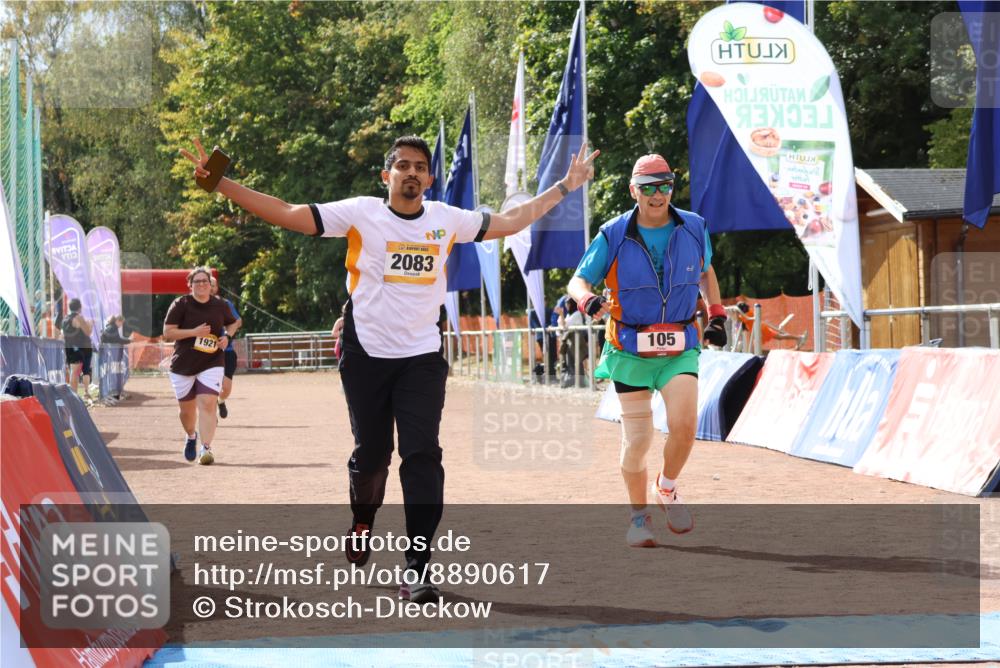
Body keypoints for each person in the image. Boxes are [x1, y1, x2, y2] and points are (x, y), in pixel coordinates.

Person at [181, 135, 598, 603]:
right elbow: (287, 211)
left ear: (430, 178)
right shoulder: (362, 213)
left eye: (420, 166)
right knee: (373, 456)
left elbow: (510, 221)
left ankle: (417, 566)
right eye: (403, 165)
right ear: (387, 176)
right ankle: (363, 518)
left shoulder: (446, 219)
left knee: (422, 457)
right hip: (365, 356)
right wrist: (223, 185)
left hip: (421, 357)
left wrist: (566, 185)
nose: (412, 172)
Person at [567, 154, 727, 547]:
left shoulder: (694, 226)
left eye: (665, 185)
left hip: (680, 344)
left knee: (686, 425)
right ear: (633, 190)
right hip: (629, 349)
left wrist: (717, 314)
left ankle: (667, 487)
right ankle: (639, 518)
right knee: (637, 441)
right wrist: (587, 301)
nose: (658, 195)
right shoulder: (612, 233)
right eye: (648, 187)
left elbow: (705, 271)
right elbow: (578, 280)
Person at [161, 267, 239, 465]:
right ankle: (191, 436)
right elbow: (168, 333)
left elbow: (235, 322)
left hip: (212, 362)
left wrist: (227, 336)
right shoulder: (181, 304)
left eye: (205, 281)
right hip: (183, 365)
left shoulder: (219, 305)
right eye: (198, 281)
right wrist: (194, 332)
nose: (202, 284)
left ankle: (206, 448)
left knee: (207, 403)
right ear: (190, 285)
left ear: (210, 284)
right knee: (187, 412)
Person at [210, 277, 243, 418]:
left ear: (216, 287)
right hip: (206, 352)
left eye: (212, 285)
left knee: (226, 388)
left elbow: (238, 321)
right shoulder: (195, 305)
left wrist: (227, 331)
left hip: (226, 351)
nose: (209, 287)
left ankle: (221, 401)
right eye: (206, 283)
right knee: (209, 387)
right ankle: (210, 415)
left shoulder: (225, 304)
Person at [733, 301, 807, 350]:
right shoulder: (748, 312)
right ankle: (798, 338)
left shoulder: (747, 314)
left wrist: (735, 313)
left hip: (761, 330)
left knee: (754, 347)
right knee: (780, 337)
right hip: (761, 329)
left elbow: (739, 319)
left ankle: (798, 338)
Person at [62, 298, 94, 397]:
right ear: (80, 308)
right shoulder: (78, 318)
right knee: (84, 371)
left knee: (73, 371)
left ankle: (74, 395)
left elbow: (63, 334)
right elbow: (88, 332)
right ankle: (83, 393)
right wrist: (91, 324)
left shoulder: (65, 319)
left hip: (69, 347)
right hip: (82, 347)